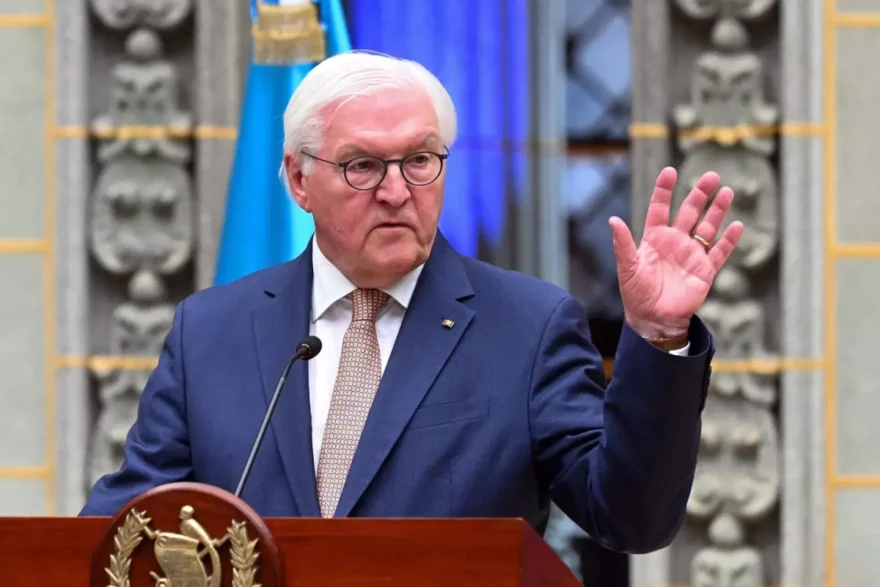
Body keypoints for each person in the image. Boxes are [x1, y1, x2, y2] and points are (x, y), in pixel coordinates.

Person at [80, 51, 743, 555]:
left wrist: (659, 334)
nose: (397, 191)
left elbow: (632, 517)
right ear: (299, 180)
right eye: (363, 165)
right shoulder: (211, 331)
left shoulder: (527, 326)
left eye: (420, 160)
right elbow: (123, 530)